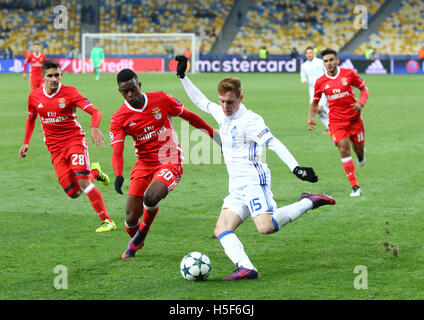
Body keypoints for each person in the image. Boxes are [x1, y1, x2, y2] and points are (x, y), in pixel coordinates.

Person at [175, 55, 336, 280]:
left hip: (253, 181)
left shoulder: (251, 120)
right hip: (236, 186)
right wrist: (183, 77)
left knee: (265, 227)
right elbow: (202, 102)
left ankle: (309, 201)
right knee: (221, 229)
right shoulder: (222, 111)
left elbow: (274, 143)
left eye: (230, 102)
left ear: (240, 98)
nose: (225, 106)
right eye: (222, 101)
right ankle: (246, 268)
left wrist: (296, 168)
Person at [112, 69, 220, 259]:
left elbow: (189, 116)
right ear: (120, 92)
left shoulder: (161, 99)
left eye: (133, 89)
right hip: (143, 164)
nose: (130, 95)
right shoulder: (119, 118)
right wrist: (118, 174)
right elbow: (118, 150)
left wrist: (213, 134)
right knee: (130, 219)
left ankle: (142, 234)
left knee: (151, 197)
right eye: (125, 91)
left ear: (140, 85)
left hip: (169, 160)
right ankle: (138, 236)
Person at [18, 59, 116, 232]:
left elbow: (95, 111)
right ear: (43, 77)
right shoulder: (34, 96)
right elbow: (31, 119)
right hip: (54, 149)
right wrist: (26, 142)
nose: (54, 79)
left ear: (61, 75)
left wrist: (94, 127)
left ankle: (107, 220)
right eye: (50, 76)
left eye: (57, 75)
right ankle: (95, 172)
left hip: (74, 141)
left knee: (83, 182)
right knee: (73, 192)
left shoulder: (70, 92)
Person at [308, 49, 369, 197]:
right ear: (323, 63)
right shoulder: (321, 82)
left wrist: (361, 103)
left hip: (355, 120)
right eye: (326, 61)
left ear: (337, 60)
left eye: (331, 60)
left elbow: (364, 90)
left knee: (359, 150)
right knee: (343, 149)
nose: (328, 63)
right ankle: (355, 186)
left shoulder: (349, 74)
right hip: (336, 121)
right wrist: (310, 118)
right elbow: (315, 102)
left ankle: (361, 156)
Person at [300, 46, 329, 133]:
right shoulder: (304, 65)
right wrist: (303, 79)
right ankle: (329, 127)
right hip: (312, 89)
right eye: (307, 53)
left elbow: (327, 71)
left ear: (314, 53)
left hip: (323, 87)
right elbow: (303, 75)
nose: (309, 54)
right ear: (305, 55)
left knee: (320, 108)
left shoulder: (320, 62)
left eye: (311, 52)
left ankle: (337, 119)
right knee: (317, 109)